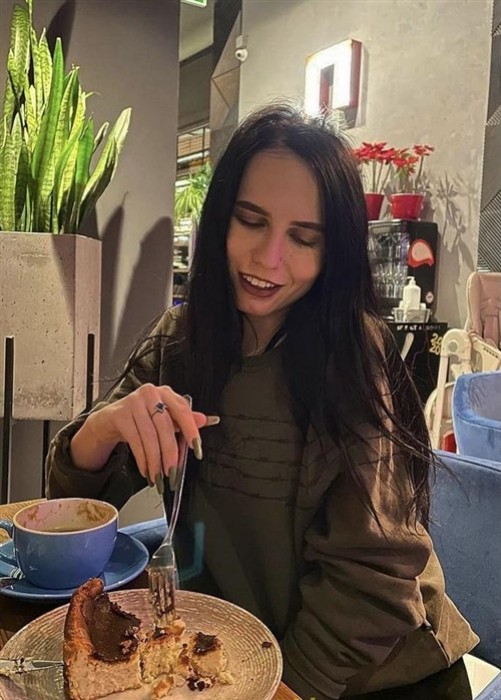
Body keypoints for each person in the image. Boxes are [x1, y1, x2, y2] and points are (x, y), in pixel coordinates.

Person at [46, 103, 478, 700]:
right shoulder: (180, 340)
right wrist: (104, 428)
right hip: (244, 657)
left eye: (303, 238)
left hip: (380, 678)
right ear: (220, 218)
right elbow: (73, 510)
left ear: (334, 252)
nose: (268, 258)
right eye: (251, 221)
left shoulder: (354, 357)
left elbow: (375, 580)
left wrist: (277, 686)